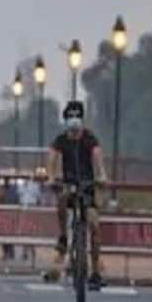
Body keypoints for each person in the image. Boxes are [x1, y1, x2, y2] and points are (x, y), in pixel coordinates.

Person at [43, 100, 109, 290]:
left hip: (88, 186)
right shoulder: (61, 140)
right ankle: (63, 237)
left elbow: (97, 156)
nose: (74, 121)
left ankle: (95, 271)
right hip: (69, 185)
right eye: (70, 116)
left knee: (94, 227)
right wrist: (51, 176)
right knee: (62, 198)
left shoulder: (90, 139)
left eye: (77, 116)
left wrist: (101, 175)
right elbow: (52, 157)